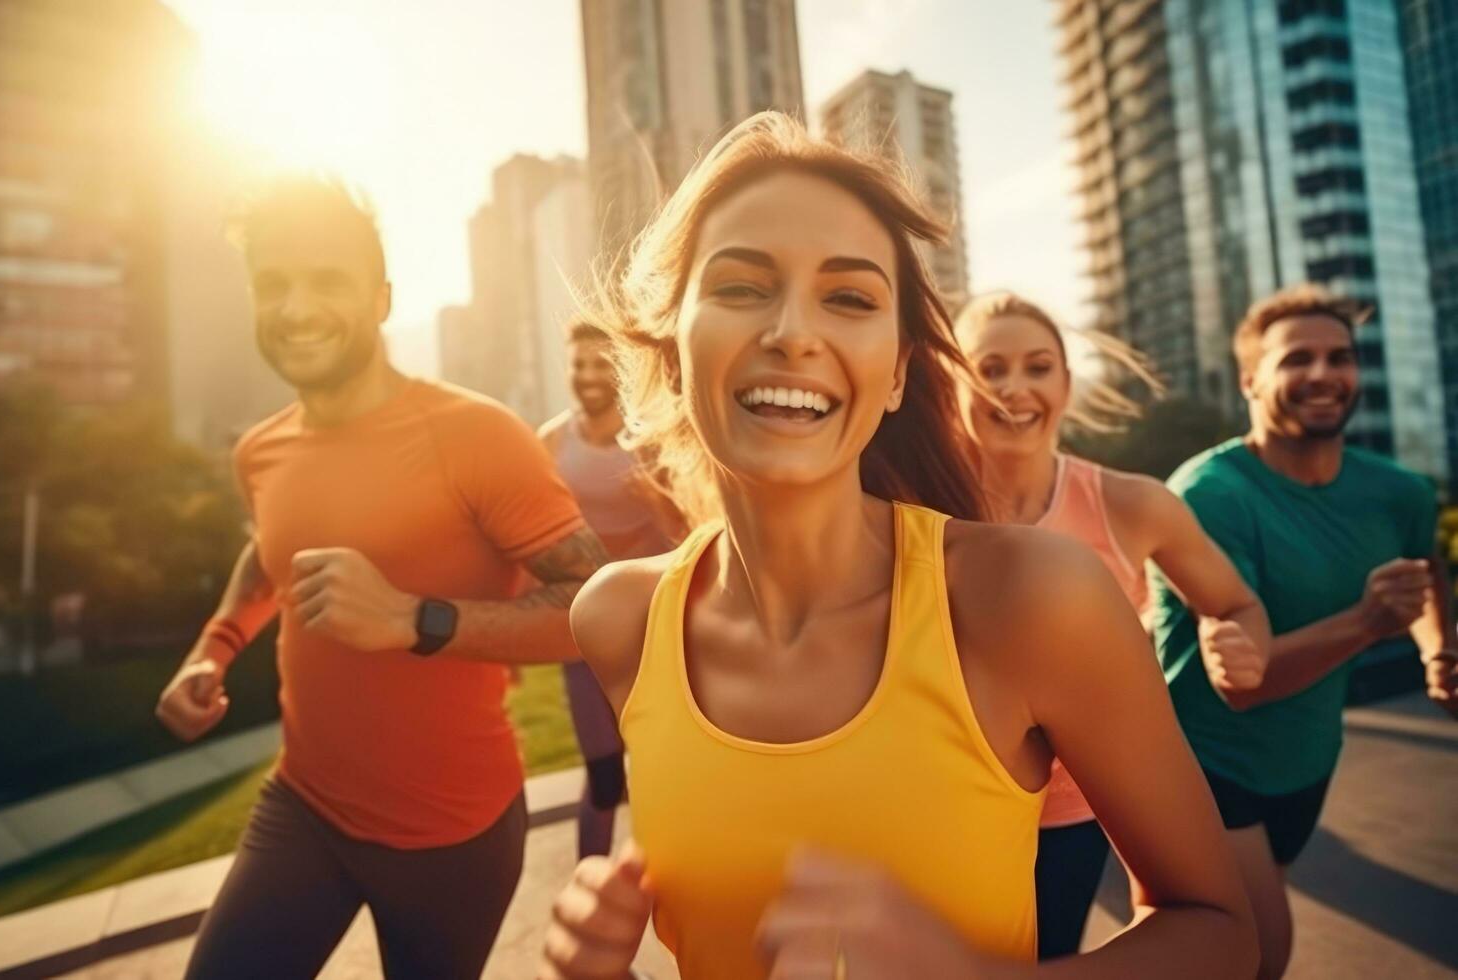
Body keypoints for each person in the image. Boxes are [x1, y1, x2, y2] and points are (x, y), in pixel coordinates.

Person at [538, 112, 1256, 980]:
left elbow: (1220, 931)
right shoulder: (618, 618)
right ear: (671, 346)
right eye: (740, 286)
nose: (793, 333)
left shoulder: (1029, 598)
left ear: (898, 373)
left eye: (848, 297)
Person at [153, 176, 608, 980]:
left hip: (453, 837)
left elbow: (595, 607)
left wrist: (415, 619)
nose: (296, 308)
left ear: (382, 297)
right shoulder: (259, 449)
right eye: (274, 284)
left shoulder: (479, 437)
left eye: (327, 280)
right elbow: (268, 554)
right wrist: (214, 648)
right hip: (303, 808)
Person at [1153, 284, 1458, 979]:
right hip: (1201, 760)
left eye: (1339, 357)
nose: (1322, 374)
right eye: (1297, 360)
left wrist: (1439, 648)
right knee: (1261, 952)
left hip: (1307, 757)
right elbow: (1243, 688)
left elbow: (1426, 572)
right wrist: (1366, 622)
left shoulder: (1398, 491)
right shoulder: (1207, 495)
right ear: (1250, 379)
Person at [955, 291, 1271, 959]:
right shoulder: (906, 503)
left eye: (1037, 367)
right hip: (947, 807)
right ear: (954, 381)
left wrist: (1232, 643)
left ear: (1066, 385)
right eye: (989, 368)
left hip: (1072, 815)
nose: (1014, 387)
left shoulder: (1131, 505)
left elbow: (1236, 605)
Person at [538, 318, 684, 859]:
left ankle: (678, 891)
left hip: (652, 628)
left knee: (660, 771)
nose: (588, 375)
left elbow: (689, 526)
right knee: (603, 776)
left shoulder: (651, 442)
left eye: (601, 363)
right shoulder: (549, 442)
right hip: (581, 633)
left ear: (620, 369)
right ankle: (591, 888)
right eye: (579, 364)